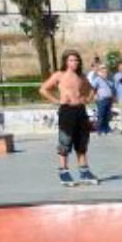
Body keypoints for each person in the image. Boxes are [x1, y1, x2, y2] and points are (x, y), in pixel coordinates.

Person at [39, 49, 100, 186]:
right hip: (67, 111)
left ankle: (84, 172)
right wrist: (56, 101)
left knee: (82, 141)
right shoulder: (59, 75)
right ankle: (63, 172)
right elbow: (43, 89)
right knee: (65, 141)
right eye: (71, 60)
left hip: (80, 110)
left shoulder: (82, 77)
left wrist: (87, 98)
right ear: (66, 62)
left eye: (77, 60)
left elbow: (91, 90)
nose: (75, 63)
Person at [90, 62, 116, 135]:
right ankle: (100, 129)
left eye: (105, 68)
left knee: (107, 115)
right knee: (101, 115)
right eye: (102, 68)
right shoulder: (97, 79)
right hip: (101, 99)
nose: (104, 70)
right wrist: (95, 95)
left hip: (109, 99)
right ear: (99, 70)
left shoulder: (108, 79)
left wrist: (113, 97)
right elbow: (92, 88)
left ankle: (106, 129)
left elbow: (112, 88)